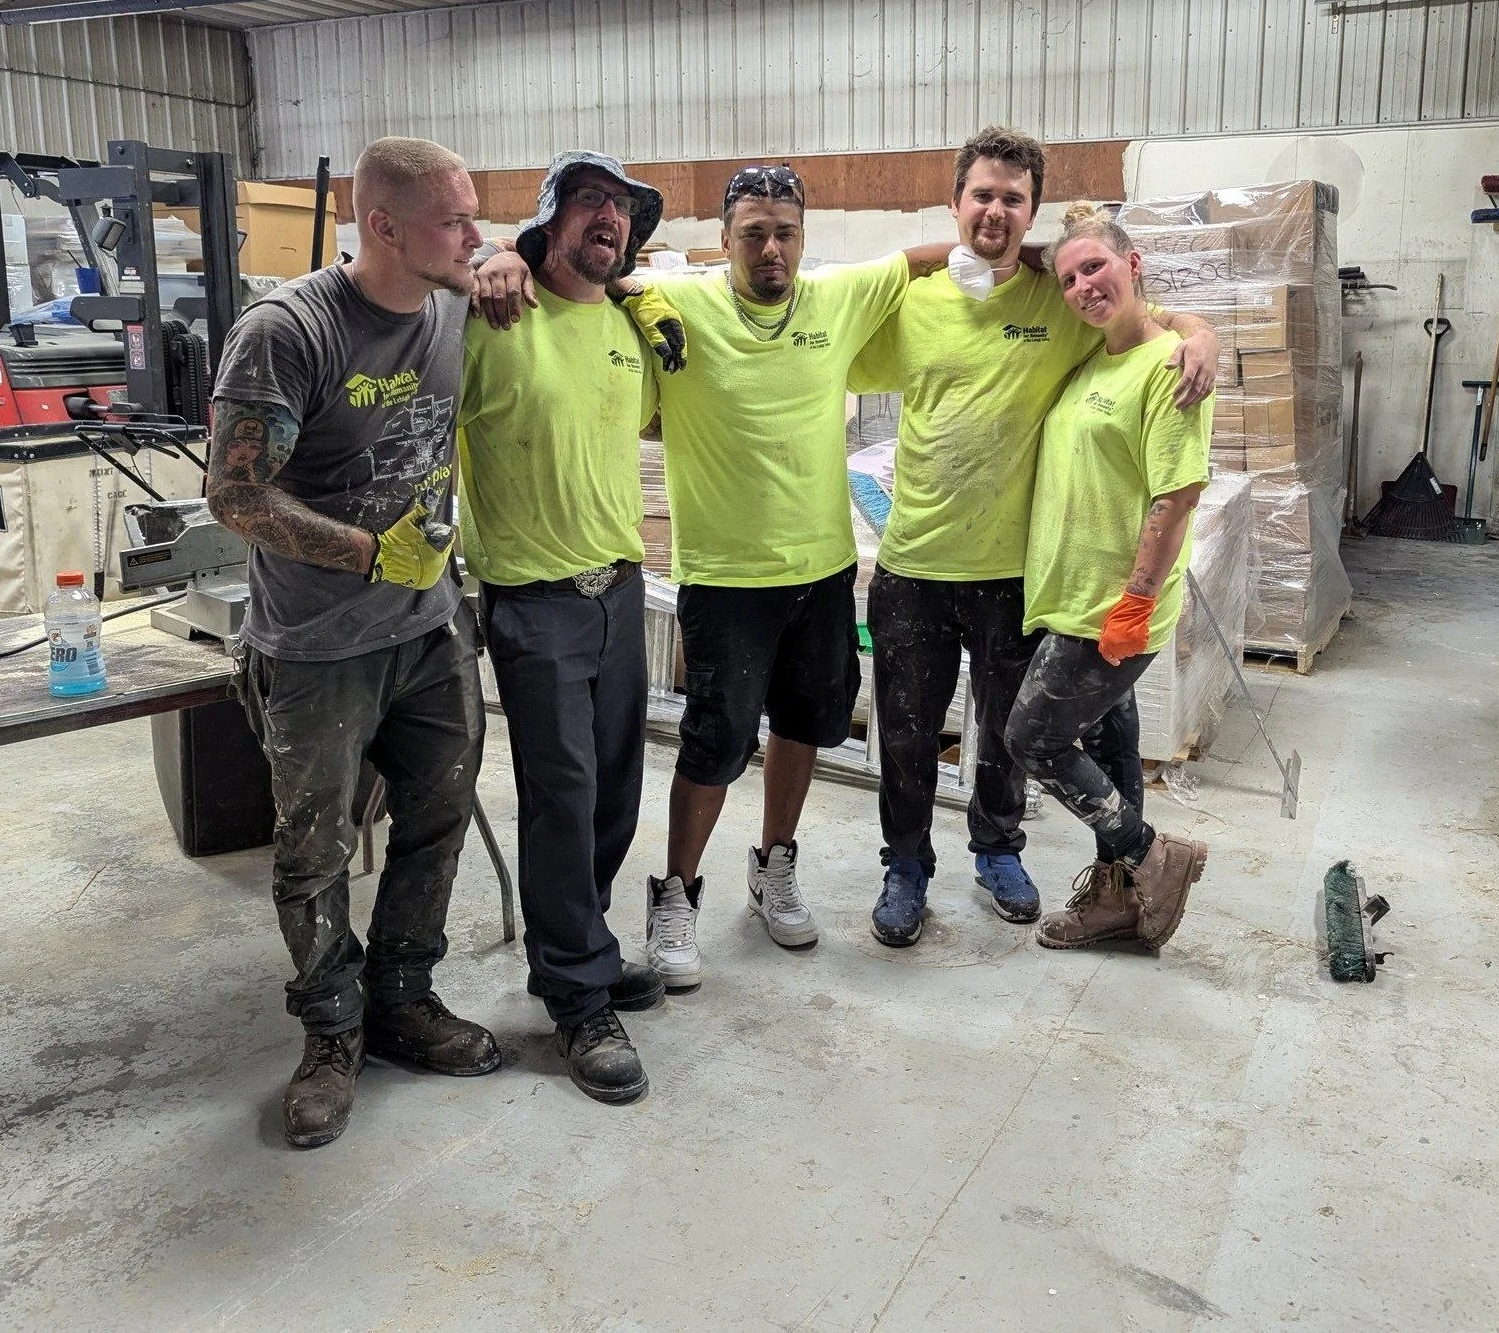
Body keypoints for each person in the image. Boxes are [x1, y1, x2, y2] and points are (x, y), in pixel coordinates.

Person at [474, 167, 951, 988]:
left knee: (807, 726)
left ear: (805, 238)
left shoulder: (836, 296)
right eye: (754, 233)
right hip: (725, 577)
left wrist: (1048, 252)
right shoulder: (677, 303)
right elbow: (579, 269)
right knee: (713, 744)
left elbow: (923, 258)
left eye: (786, 233)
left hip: (824, 569)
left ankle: (774, 868)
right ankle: (678, 893)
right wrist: (493, 254)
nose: (772, 248)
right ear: (725, 240)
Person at [847, 128, 1218, 947]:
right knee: (906, 733)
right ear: (956, 203)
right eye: (981, 194)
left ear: (1032, 212)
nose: (995, 210)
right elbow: (829, 352)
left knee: (1007, 734)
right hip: (914, 563)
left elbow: (1142, 315)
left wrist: (1203, 334)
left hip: (1015, 575)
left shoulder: (1058, 298)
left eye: (1013, 198)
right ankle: (905, 866)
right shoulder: (915, 302)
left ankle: (997, 850)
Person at [208, 136, 499, 1150]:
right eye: (455, 220)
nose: (474, 235)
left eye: (476, 217)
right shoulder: (287, 332)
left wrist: (500, 259)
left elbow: (551, 257)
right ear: (383, 227)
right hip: (317, 644)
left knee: (438, 813)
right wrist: (371, 554)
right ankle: (332, 1034)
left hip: (428, 633)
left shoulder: (459, 299)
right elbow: (235, 495)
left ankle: (405, 998)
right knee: (315, 848)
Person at [457, 151, 670, 1105]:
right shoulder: (491, 315)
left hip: (617, 588)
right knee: (563, 793)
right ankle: (578, 996)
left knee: (617, 789)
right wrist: (488, 256)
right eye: (591, 201)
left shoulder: (626, 327)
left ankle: (582, 945)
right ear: (550, 221)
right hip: (533, 600)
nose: (609, 219)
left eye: (621, 209)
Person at [1004, 201, 1213, 950]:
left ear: (1133, 266)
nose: (1083, 286)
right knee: (1111, 742)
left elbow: (1177, 494)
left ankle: (1152, 857)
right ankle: (1116, 902)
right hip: (1072, 597)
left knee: (1031, 739)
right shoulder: (1098, 357)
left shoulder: (1168, 369)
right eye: (1067, 278)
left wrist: (1136, 601)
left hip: (1111, 609)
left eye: (1094, 266)